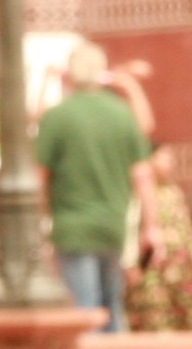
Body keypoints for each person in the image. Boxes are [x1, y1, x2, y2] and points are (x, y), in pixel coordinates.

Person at [31, 42, 160, 331]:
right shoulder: (122, 114)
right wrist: (152, 226)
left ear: (71, 75)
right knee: (112, 304)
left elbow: (40, 176)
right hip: (113, 224)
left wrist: (43, 217)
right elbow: (142, 175)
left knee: (83, 307)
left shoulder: (58, 116)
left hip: (72, 226)